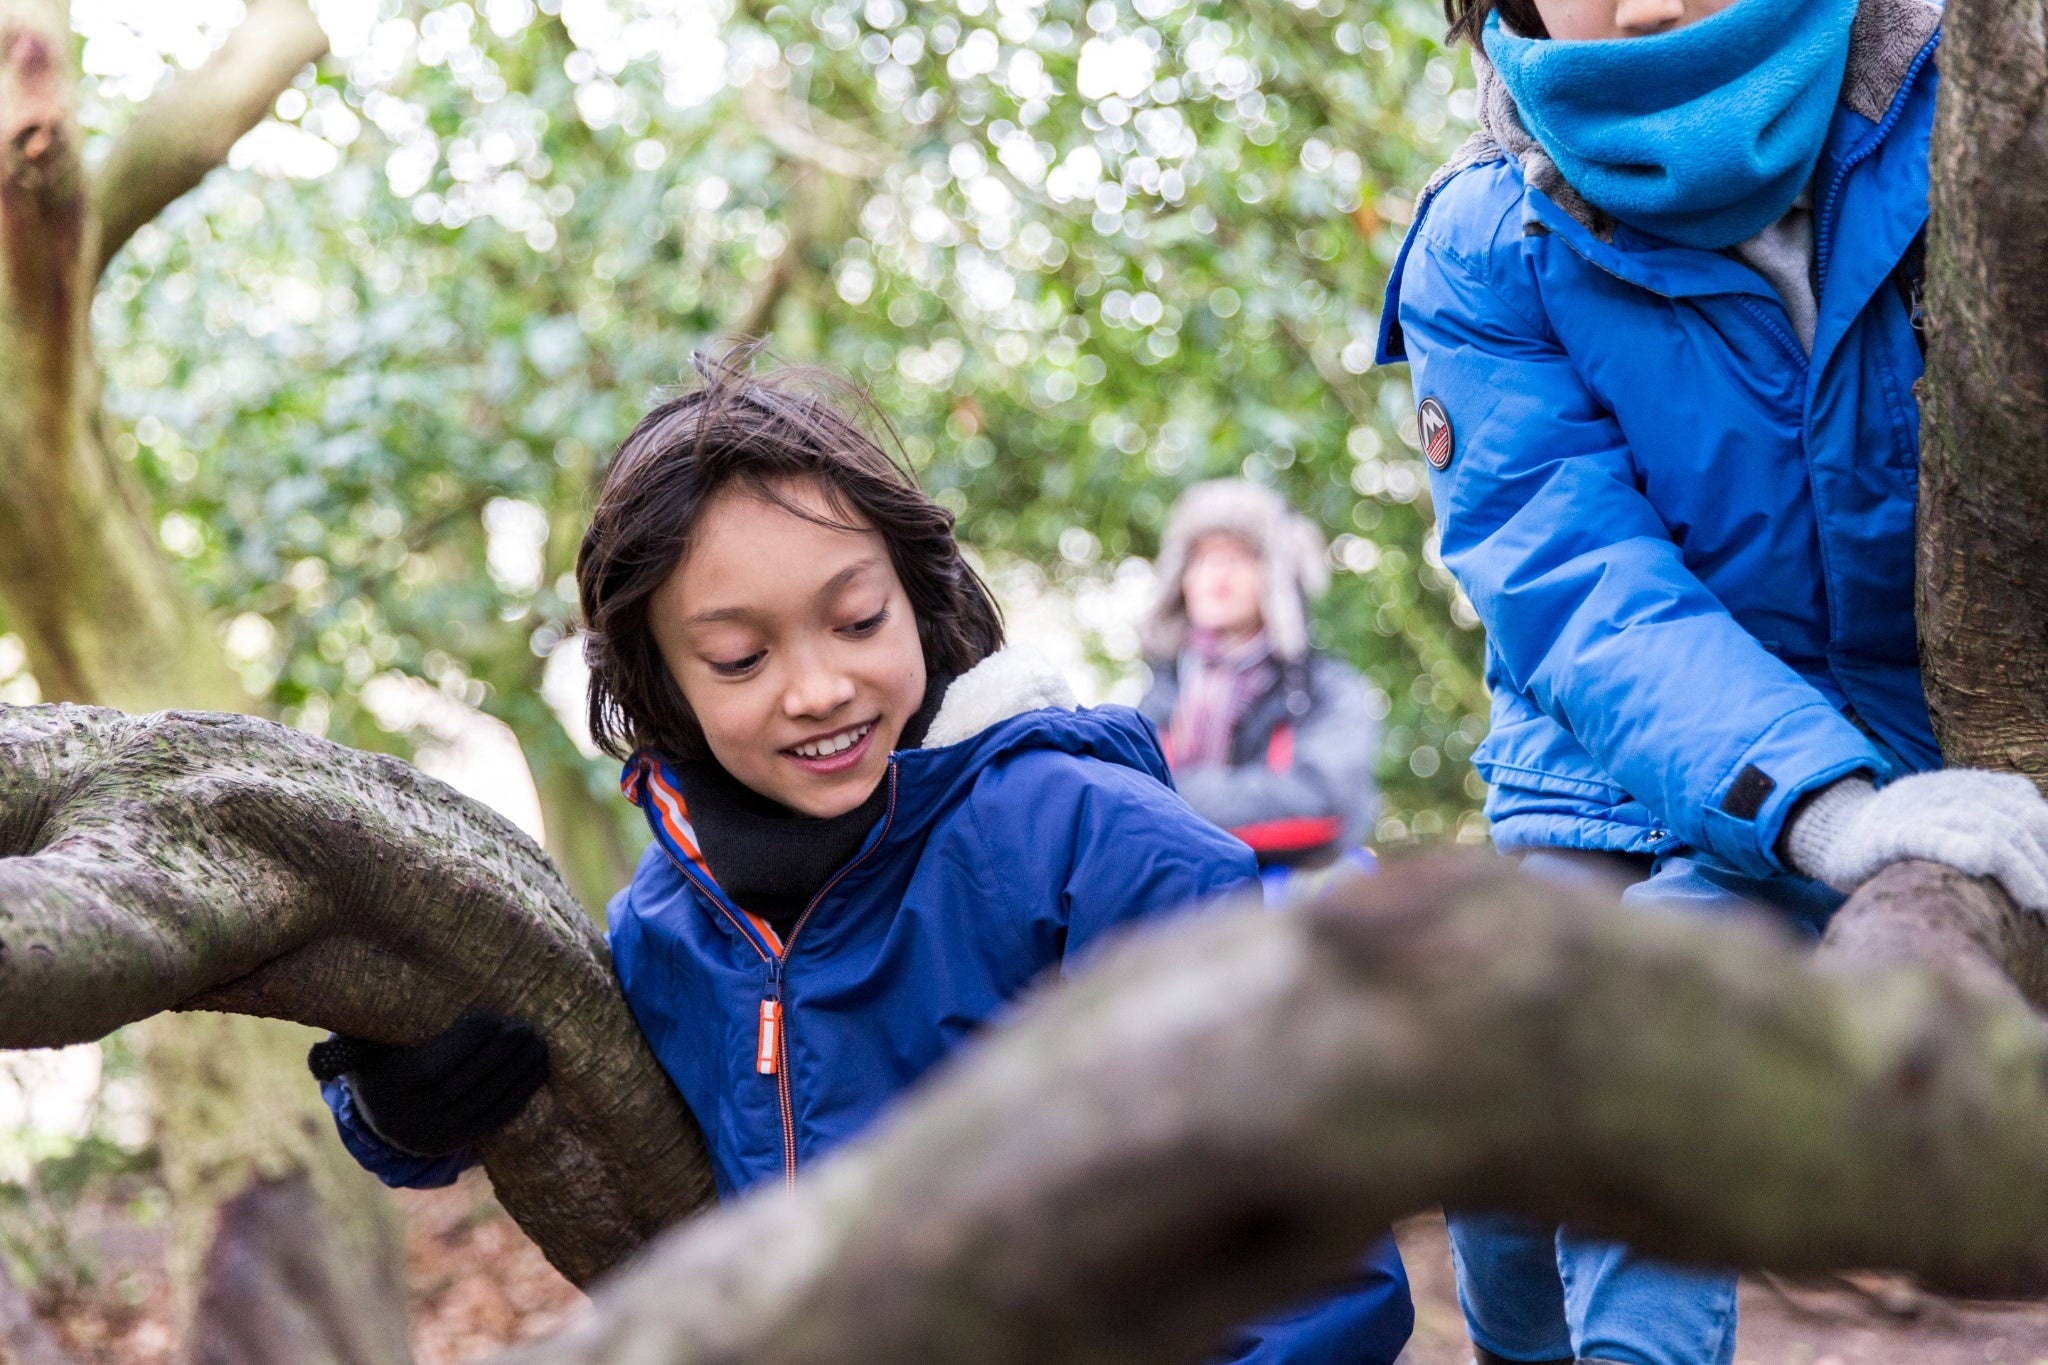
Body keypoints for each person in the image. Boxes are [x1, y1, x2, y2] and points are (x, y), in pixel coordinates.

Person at [305, 357, 1414, 1365]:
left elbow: (1309, 1263)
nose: (817, 686)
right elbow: (558, 1104)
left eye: (855, 620)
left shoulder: (1098, 849)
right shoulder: (667, 927)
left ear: (918, 604)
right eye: (740, 658)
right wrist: (402, 1107)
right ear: (662, 685)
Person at [1375, 0, 2048, 1362]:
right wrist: (1823, 803)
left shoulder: (1967, 107)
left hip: (1938, 725)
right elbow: (1577, 583)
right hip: (1620, 776)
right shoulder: (1487, 241)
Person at [1139, 479, 1379, 878]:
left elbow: (1323, 803)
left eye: (1239, 557)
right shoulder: (1161, 693)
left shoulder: (1322, 689)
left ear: (1276, 576)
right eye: (1201, 558)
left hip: (1293, 903)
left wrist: (1173, 801)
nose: (1217, 574)